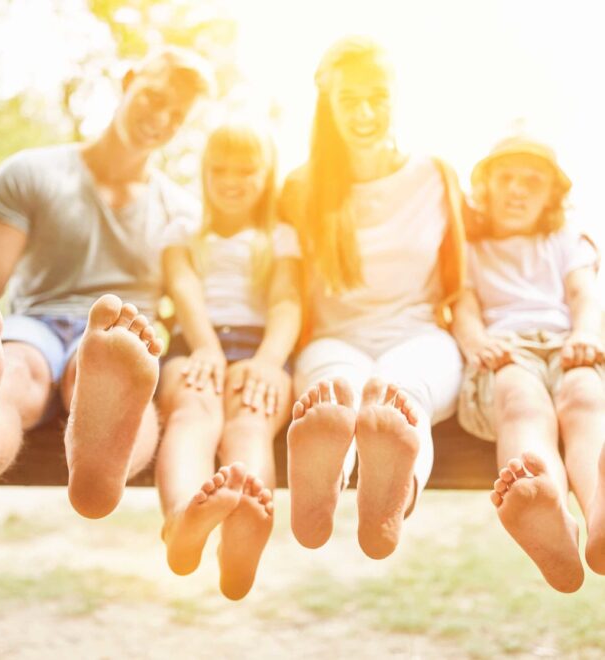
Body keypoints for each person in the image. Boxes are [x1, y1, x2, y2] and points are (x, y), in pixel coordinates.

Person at [0, 45, 212, 527]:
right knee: (14, 375)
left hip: (122, 338)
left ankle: (102, 459)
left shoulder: (182, 211)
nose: (160, 119)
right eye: (154, 98)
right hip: (37, 326)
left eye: (177, 116)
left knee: (108, 377)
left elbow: (192, 297)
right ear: (128, 79)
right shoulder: (33, 173)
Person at [278, 36, 466, 559]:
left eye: (377, 97)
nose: (364, 112)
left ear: (396, 96)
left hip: (422, 335)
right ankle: (322, 487)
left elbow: (468, 275)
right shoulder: (299, 187)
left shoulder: (435, 176)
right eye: (349, 100)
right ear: (328, 105)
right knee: (335, 392)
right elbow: (286, 290)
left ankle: (391, 501)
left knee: (402, 397)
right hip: (335, 339)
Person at [156, 120, 301, 599]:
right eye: (220, 169)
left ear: (267, 174)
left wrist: (267, 360)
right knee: (192, 411)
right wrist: (205, 347)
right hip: (196, 342)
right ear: (204, 172)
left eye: (246, 169)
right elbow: (183, 288)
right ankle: (182, 516)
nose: (232, 180)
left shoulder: (280, 237)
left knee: (250, 420)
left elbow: (286, 303)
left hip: (260, 347)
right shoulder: (183, 230)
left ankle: (242, 531)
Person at [452, 135, 605, 592]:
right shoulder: (468, 248)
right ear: (485, 187)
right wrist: (477, 343)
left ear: (551, 197)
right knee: (521, 401)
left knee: (585, 396)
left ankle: (598, 513)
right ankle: (548, 506)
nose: (517, 190)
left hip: (565, 344)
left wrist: (584, 335)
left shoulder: (563, 239)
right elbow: (463, 306)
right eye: (506, 179)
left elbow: (583, 294)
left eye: (532, 182)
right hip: (504, 352)